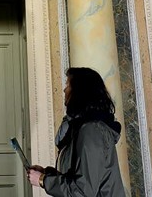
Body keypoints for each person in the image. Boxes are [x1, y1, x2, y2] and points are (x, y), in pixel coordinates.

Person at [27, 67, 126, 196]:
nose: (64, 89)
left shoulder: (91, 131)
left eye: (68, 84)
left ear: (80, 91)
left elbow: (83, 191)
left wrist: (43, 180)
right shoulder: (84, 129)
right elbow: (78, 178)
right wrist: (46, 174)